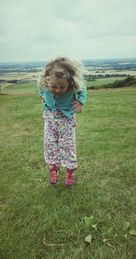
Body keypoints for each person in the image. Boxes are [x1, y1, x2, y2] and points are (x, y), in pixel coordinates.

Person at [38, 57, 87, 186]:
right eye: (54, 87)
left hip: (66, 120)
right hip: (50, 119)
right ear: (47, 80)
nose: (58, 90)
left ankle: (70, 172)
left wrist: (80, 101)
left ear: (69, 83)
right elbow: (40, 88)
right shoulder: (44, 83)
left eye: (62, 87)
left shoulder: (73, 86)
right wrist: (42, 96)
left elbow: (82, 90)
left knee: (67, 146)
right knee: (50, 145)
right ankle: (53, 169)